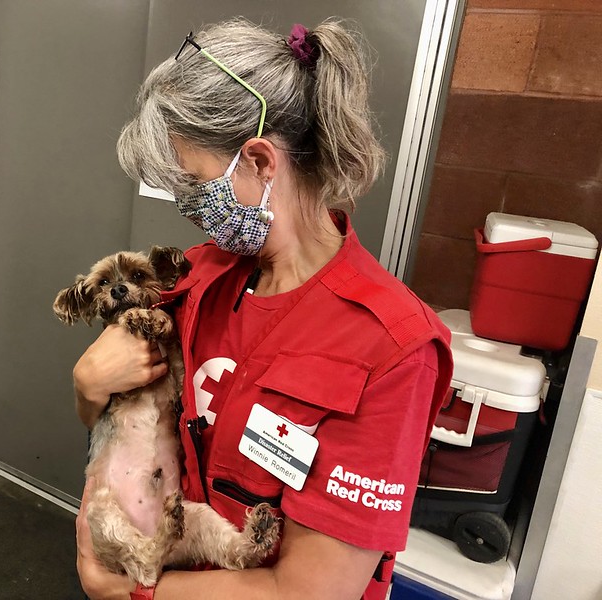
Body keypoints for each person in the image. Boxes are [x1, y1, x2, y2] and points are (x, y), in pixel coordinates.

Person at [72, 18, 453, 600]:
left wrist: (128, 594)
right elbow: (114, 419)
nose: (188, 206)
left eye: (194, 184)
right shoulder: (197, 276)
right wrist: (87, 384)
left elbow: (308, 592)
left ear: (259, 161)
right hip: (172, 560)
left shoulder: (392, 346)